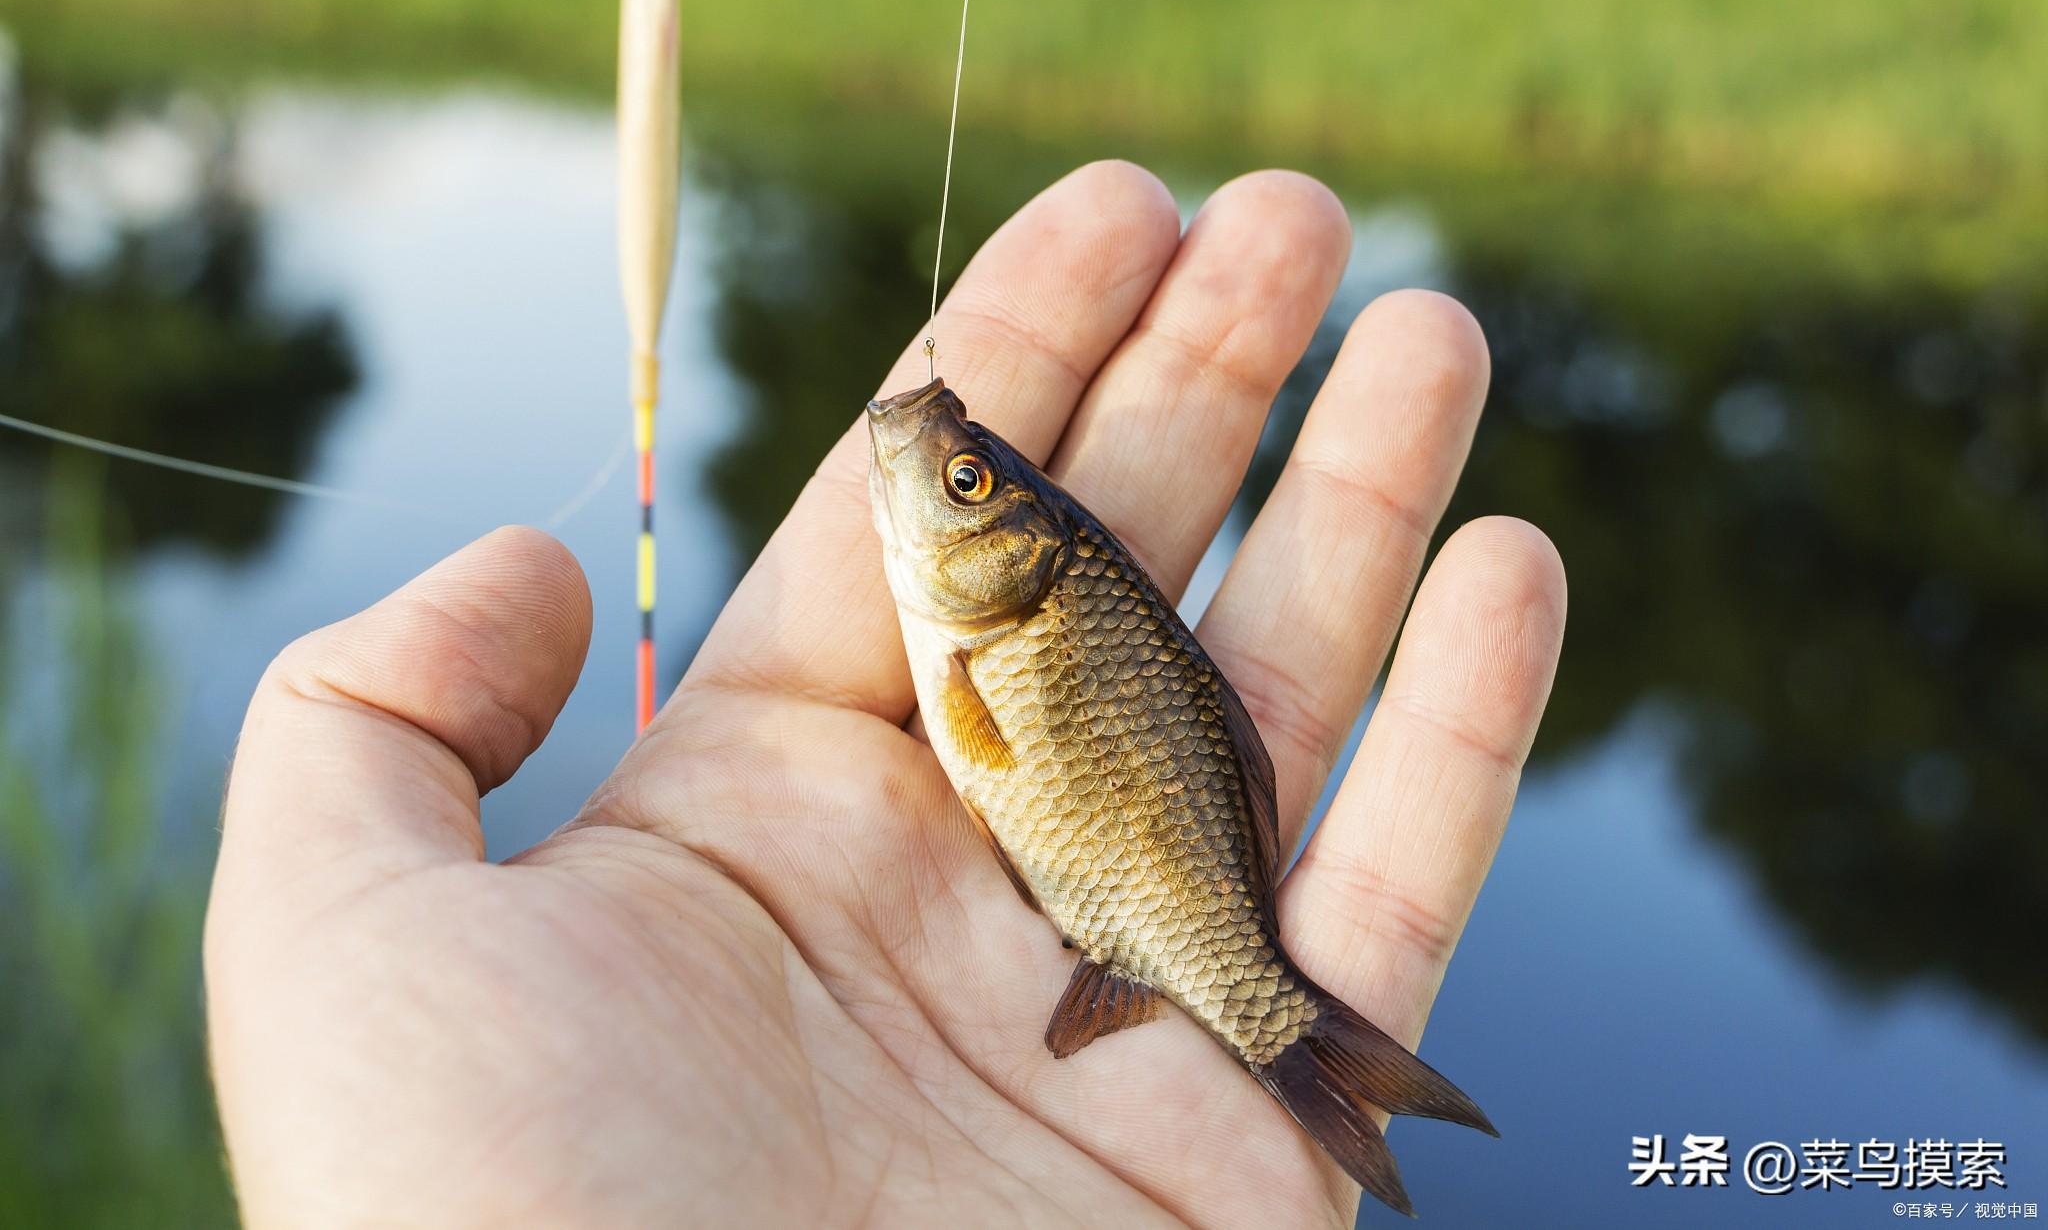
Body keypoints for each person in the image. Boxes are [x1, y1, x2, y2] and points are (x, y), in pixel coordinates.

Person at [205, 163, 1567, 1228]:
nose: (945, 465)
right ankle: (1296, 1041)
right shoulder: (993, 612)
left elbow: (984, 733)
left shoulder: (1021, 617)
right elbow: (981, 738)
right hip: (1128, 887)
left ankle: (1290, 1033)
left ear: (1014, 550)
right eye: (975, 477)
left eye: (969, 484)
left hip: (1155, 892)